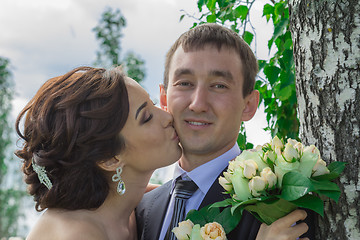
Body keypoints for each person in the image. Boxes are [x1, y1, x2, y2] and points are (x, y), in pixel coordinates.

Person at [136, 23, 314, 240]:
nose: (198, 104)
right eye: (185, 83)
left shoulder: (279, 207)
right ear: (164, 99)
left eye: (219, 85)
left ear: (248, 104)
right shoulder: (141, 210)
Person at [15, 66, 182, 240]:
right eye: (147, 117)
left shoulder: (133, 202)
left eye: (153, 104)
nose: (167, 117)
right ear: (110, 158)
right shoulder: (77, 234)